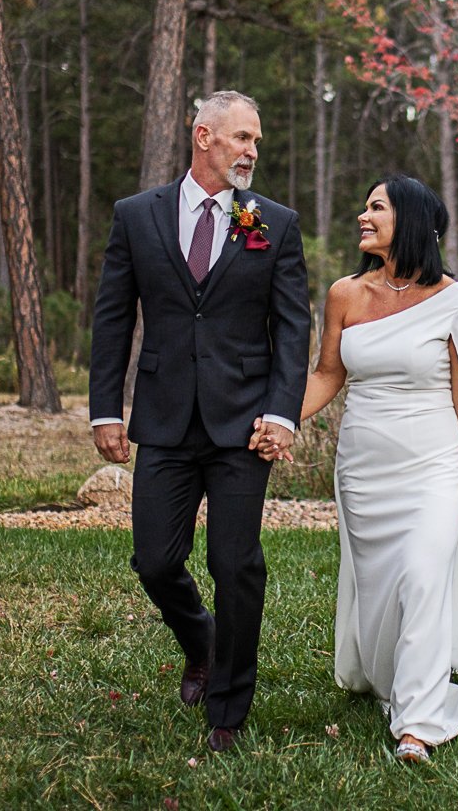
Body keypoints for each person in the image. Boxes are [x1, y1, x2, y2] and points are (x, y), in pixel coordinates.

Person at [89, 90, 310, 753]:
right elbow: (113, 316)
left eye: (257, 142)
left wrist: (282, 413)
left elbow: (293, 327)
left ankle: (227, 709)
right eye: (243, 138)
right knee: (155, 561)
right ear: (204, 135)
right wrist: (106, 408)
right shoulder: (137, 216)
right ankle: (203, 642)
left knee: (235, 563)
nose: (251, 152)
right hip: (161, 416)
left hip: (243, 423)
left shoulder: (269, 222)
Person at [293, 173, 458, 764]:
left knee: (424, 575)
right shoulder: (345, 294)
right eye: (364, 205)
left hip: (435, 463)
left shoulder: (456, 302)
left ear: (414, 221)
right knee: (379, 590)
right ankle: (388, 678)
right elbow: (327, 374)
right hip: (364, 466)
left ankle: (418, 723)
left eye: (377, 207)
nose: (362, 216)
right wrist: (278, 417)